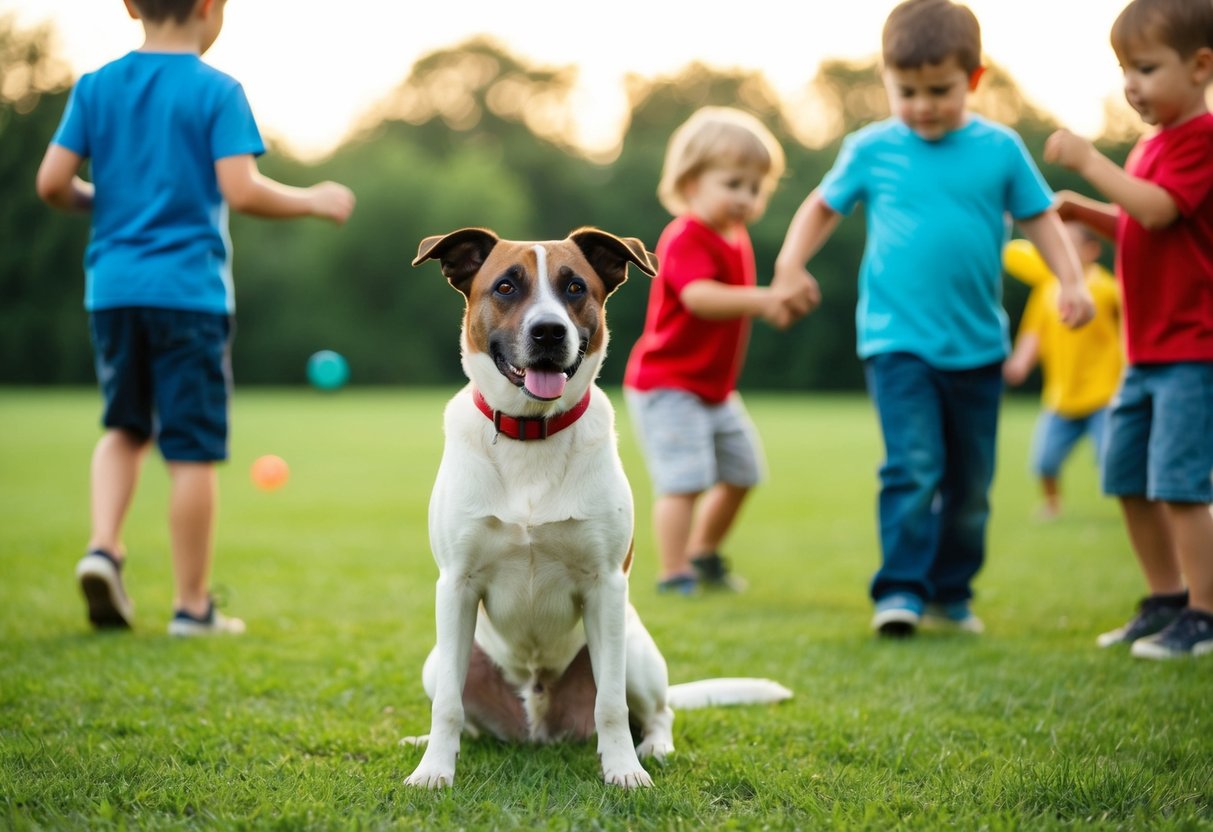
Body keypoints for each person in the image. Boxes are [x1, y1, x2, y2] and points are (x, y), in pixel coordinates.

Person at [773, 0, 1094, 637]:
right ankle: (900, 592)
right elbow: (820, 207)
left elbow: (1041, 219)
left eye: (939, 91)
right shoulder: (871, 148)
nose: (921, 105)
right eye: (906, 91)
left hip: (977, 347)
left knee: (971, 485)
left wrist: (1073, 280)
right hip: (897, 342)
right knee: (913, 465)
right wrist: (788, 267)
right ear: (887, 80)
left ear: (974, 79)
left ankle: (952, 591)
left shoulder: (999, 149)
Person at [36, 0, 355, 636]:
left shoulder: (96, 87)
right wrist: (313, 200)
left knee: (125, 427)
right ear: (211, 7)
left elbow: (50, 183)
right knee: (191, 450)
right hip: (189, 296)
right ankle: (191, 607)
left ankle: (103, 548)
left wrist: (108, 201)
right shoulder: (217, 90)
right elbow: (241, 189)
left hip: (114, 292)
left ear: (129, 4)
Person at [1045, 0, 1213, 659]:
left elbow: (1161, 212)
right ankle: (1164, 598)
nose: (1130, 85)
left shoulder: (1199, 140)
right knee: (1126, 478)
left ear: (1200, 66)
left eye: (1144, 68)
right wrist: (1084, 211)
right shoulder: (1148, 146)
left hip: (1190, 351)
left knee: (1178, 484)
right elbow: (1140, 226)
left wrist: (1088, 164)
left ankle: (1203, 612)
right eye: (1123, 69)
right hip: (1144, 353)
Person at [623, 106, 818, 595]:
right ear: (691, 183)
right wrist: (764, 299)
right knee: (683, 481)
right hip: (668, 385)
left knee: (743, 472)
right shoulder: (686, 235)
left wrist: (782, 307)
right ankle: (673, 574)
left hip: (713, 388)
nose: (746, 198)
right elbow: (699, 298)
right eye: (733, 184)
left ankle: (703, 553)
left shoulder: (736, 238)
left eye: (756, 188)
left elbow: (742, 305)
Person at [1002, 224, 1124, 520]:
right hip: (1060, 395)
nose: (1062, 252)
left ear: (1092, 250)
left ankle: (1134, 512)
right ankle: (1053, 504)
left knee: (1114, 460)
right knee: (1044, 461)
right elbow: (1034, 332)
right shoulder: (1047, 289)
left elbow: (1127, 334)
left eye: (1071, 244)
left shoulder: (1108, 289)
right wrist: (1019, 363)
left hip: (1104, 394)